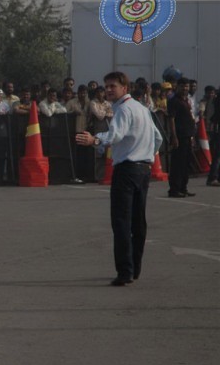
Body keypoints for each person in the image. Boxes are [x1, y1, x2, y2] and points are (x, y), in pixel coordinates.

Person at [75, 72, 163, 286]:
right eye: (107, 86)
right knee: (138, 221)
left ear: (125, 88)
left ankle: (125, 271)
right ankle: (135, 268)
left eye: (113, 86)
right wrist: (148, 156)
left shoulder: (123, 109)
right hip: (143, 169)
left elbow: (115, 135)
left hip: (127, 169)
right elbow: (158, 138)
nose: (108, 90)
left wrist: (94, 140)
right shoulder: (142, 109)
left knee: (122, 221)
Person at [167, 78, 196, 198]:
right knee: (177, 164)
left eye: (187, 86)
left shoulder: (186, 101)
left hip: (188, 136)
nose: (185, 88)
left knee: (186, 164)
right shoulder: (174, 101)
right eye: (183, 86)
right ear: (177, 87)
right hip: (179, 136)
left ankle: (183, 188)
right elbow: (171, 119)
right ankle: (174, 189)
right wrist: (174, 137)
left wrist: (192, 136)